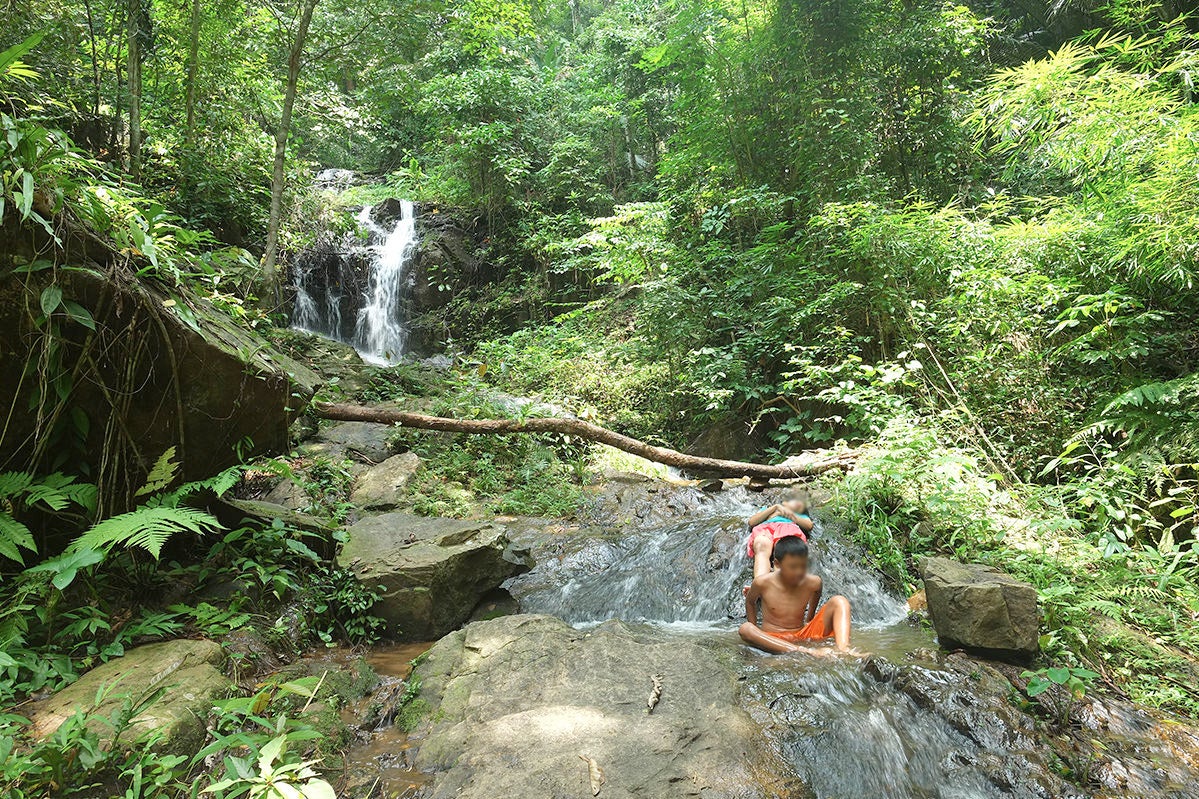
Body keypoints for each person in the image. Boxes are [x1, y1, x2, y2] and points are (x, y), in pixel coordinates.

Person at [739, 535, 855, 655]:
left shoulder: (814, 582)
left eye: (802, 566)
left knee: (840, 601)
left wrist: (809, 619)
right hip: (771, 637)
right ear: (777, 564)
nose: (799, 572)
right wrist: (754, 628)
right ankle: (806, 651)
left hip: (801, 634)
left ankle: (844, 650)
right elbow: (750, 601)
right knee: (746, 628)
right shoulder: (762, 583)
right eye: (793, 567)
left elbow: (816, 593)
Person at [746, 496, 814, 578]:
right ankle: (759, 584)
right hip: (765, 528)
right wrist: (775, 508)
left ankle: (780, 585)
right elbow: (751, 522)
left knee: (784, 548)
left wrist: (785, 513)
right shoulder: (766, 509)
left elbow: (809, 525)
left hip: (787, 527)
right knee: (761, 543)